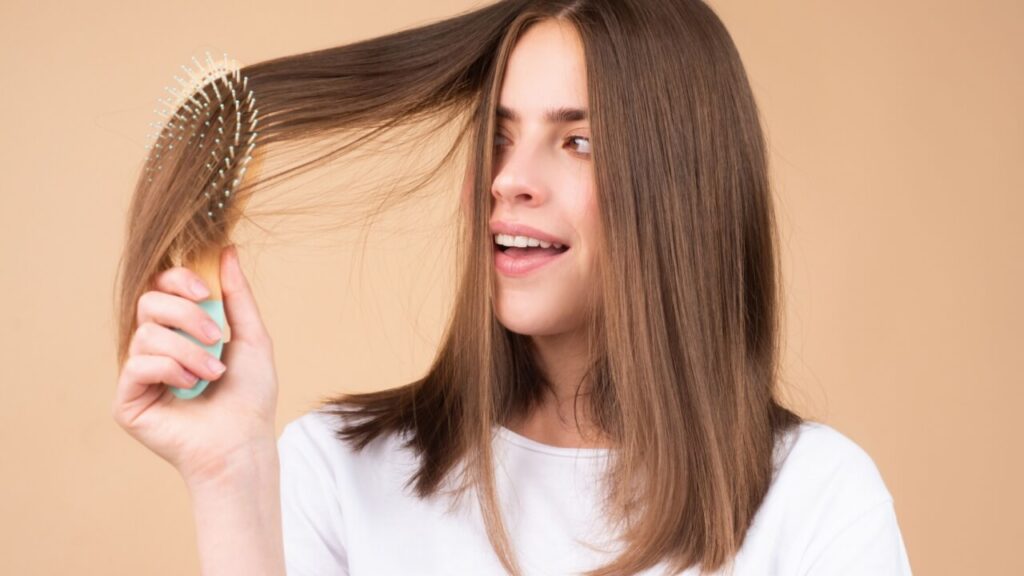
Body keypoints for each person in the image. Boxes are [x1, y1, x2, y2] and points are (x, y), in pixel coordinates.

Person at [112, 2, 913, 575]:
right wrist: (230, 479)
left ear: (683, 186)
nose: (510, 180)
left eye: (579, 140)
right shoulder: (336, 471)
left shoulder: (817, 500)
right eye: (498, 135)